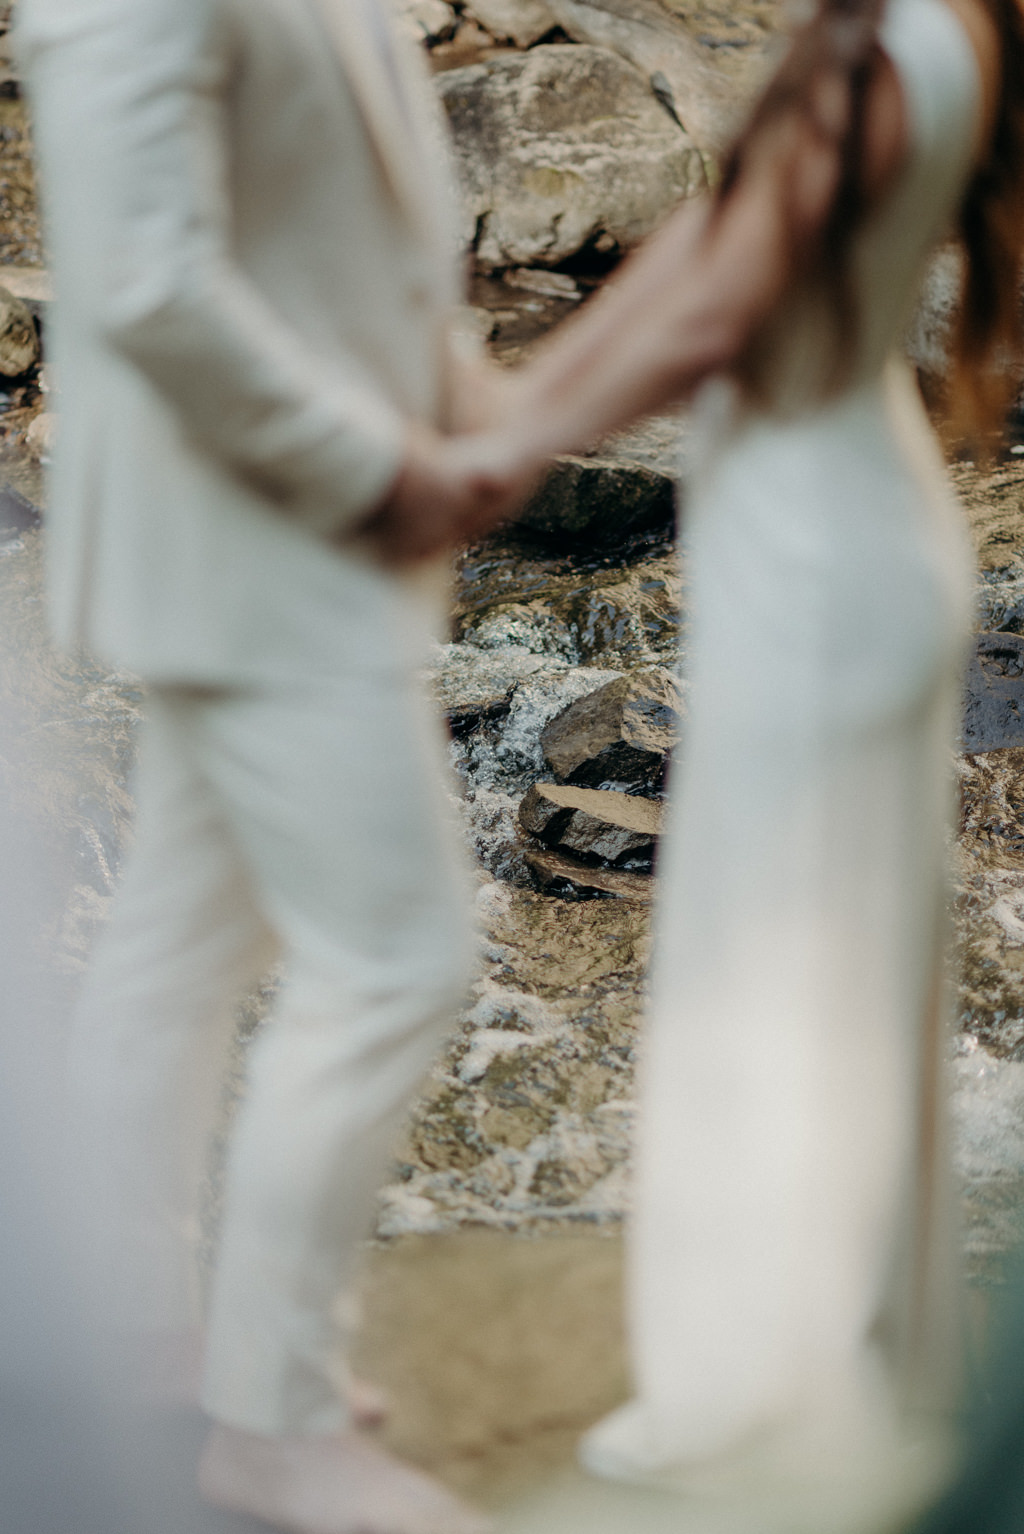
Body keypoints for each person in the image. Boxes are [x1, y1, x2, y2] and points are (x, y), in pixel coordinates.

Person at [466, 0, 1024, 1524]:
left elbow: (723, 295)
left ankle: (753, 1394)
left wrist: (498, 434)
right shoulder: (953, 28)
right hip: (857, 535)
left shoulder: (873, 46)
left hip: (814, 560)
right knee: (846, 981)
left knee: (753, 978)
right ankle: (851, 1367)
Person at [15, 1, 515, 1531]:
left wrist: (482, 396)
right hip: (251, 536)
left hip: (267, 532)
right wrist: (388, 465)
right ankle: (273, 1421)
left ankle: (142, 1332)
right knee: (404, 957)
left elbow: (341, 209)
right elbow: (148, 277)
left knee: (181, 928)